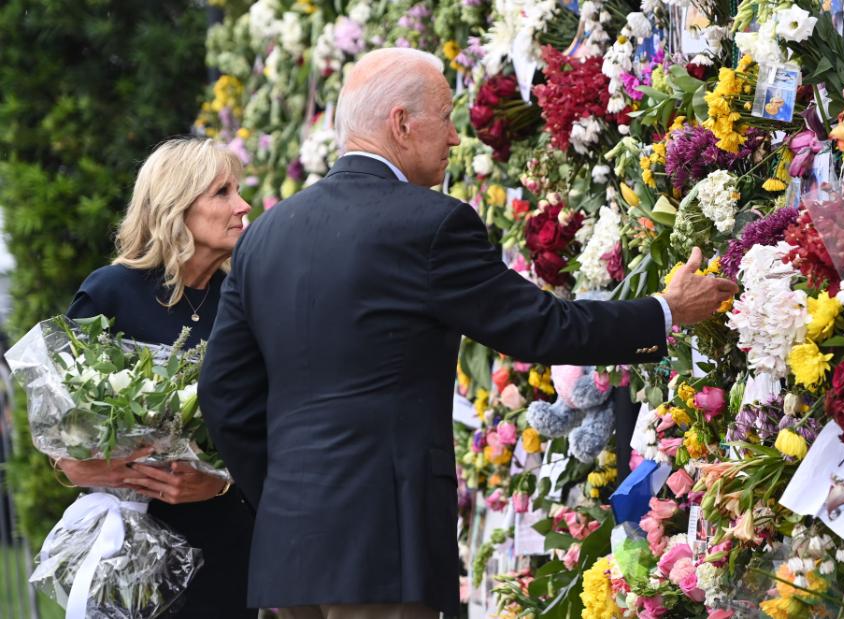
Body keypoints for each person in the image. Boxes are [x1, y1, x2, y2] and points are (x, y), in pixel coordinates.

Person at [198, 48, 736, 619]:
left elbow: (224, 395)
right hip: (386, 549)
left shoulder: (264, 237)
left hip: (289, 558)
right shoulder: (428, 223)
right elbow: (538, 328)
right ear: (402, 123)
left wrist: (285, 497)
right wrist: (665, 312)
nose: (456, 139)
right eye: (446, 117)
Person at [59, 137, 255, 618]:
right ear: (177, 207)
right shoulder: (110, 292)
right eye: (222, 193)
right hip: (124, 546)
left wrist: (222, 483)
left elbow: (270, 426)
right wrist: (74, 464)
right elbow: (62, 421)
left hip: (224, 549)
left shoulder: (248, 300)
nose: (243, 206)